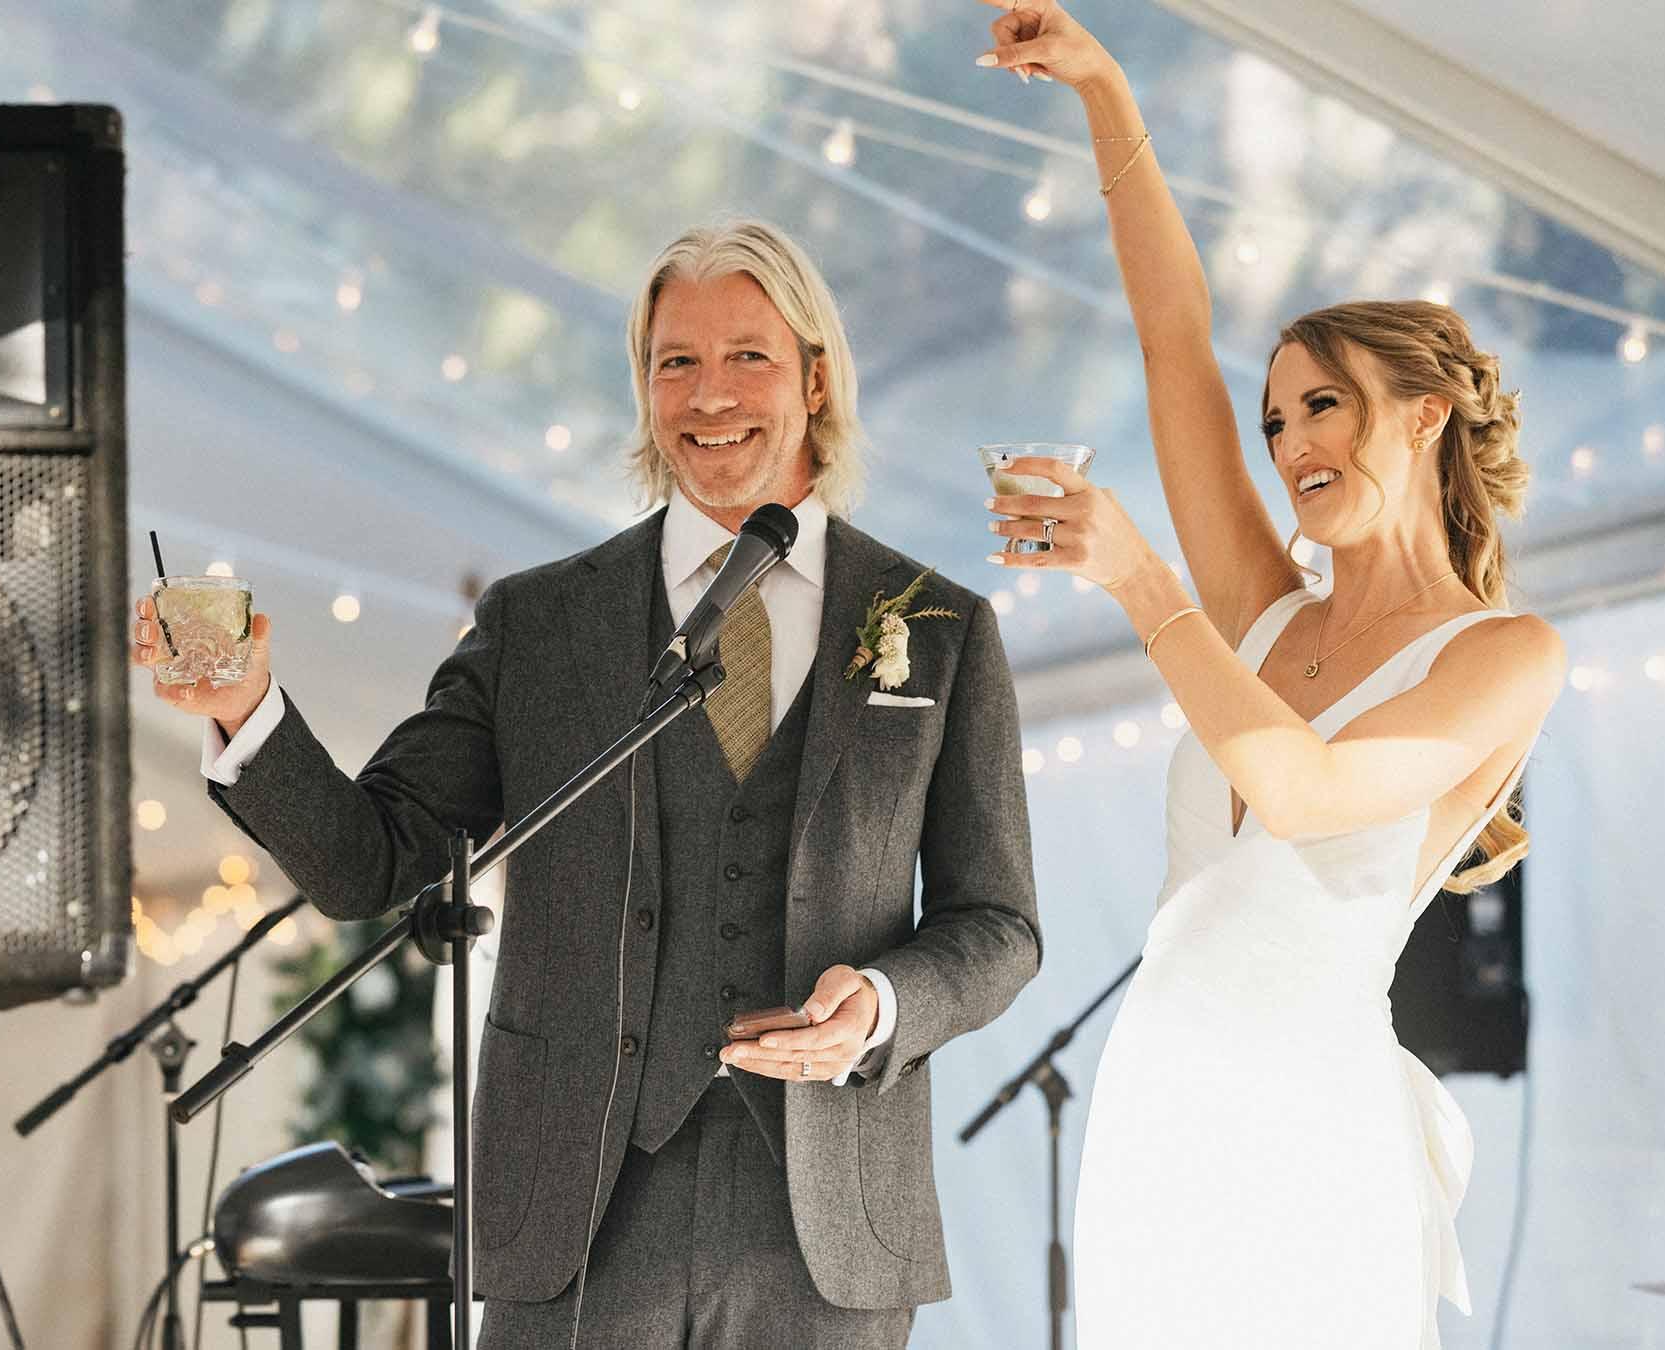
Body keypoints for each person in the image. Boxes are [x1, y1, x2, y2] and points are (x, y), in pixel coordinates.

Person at [132, 219, 1040, 1348]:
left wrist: (886, 1007)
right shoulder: (541, 622)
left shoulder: (939, 628)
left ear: (814, 378)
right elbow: (373, 862)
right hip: (579, 1203)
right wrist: (244, 711)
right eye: (675, 362)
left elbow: (996, 922)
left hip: (827, 1224)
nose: (710, 395)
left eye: (747, 355)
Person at [969, 3, 1566, 1346]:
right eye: (1277, 415)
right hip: (1158, 1124)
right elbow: (1175, 337)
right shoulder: (1256, 611)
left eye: (1325, 403)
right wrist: (1105, 91)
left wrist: (1141, 580)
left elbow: (1301, 789)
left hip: (1315, 1137)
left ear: (1423, 413)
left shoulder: (1505, 655)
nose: (1290, 438)